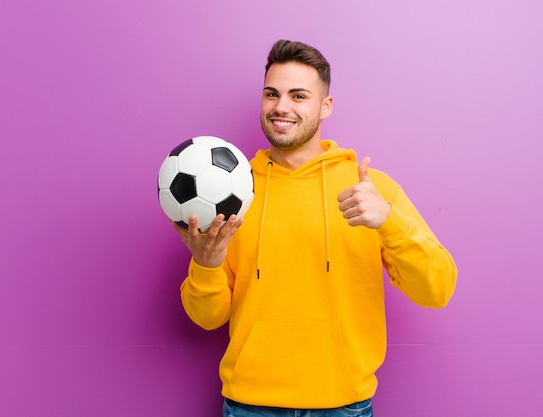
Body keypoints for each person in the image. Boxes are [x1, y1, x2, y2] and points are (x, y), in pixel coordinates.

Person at [173, 39, 457, 417]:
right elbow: (206, 319)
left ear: (326, 106)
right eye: (271, 94)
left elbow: (437, 290)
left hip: (344, 406)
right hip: (250, 405)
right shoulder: (231, 193)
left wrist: (389, 221)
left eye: (298, 95)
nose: (281, 107)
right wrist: (206, 266)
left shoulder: (371, 192)